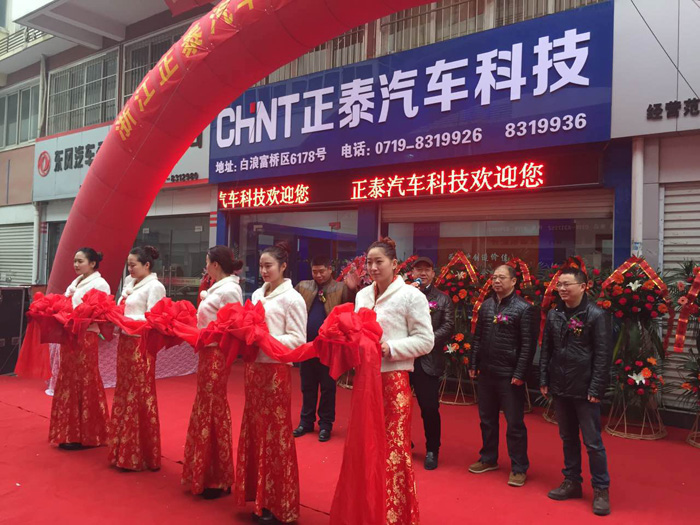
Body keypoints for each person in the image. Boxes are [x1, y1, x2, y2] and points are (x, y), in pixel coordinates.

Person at [355, 237, 434, 525]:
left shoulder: (411, 296)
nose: (373, 267)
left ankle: (395, 515)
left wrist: (391, 348)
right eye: (369, 262)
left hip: (394, 380)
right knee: (366, 446)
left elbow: (426, 340)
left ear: (395, 264)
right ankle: (368, 510)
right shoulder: (362, 296)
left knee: (394, 449)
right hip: (366, 379)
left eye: (379, 262)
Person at [235, 241, 306, 524]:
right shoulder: (257, 294)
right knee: (255, 431)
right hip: (254, 370)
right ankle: (259, 497)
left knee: (275, 435)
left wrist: (264, 339)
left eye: (269, 266)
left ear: (283, 266)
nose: (264, 271)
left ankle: (280, 503)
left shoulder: (293, 298)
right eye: (261, 266)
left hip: (276, 371)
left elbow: (298, 340)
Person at [539, 267, 612, 516]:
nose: (561, 288)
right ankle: (572, 481)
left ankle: (601, 488)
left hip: (585, 388)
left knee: (592, 442)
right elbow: (546, 349)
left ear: (583, 287)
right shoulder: (554, 314)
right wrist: (544, 378)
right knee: (567, 437)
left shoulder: (596, 315)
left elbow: (603, 355)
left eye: (567, 284)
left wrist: (596, 387)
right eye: (559, 284)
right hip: (560, 386)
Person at [468, 264, 537, 487]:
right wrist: (473, 363)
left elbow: (528, 346)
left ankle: (519, 467)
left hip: (509, 375)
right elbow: (477, 337)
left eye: (501, 277)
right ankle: (488, 458)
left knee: (514, 423)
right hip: (487, 372)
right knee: (487, 420)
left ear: (514, 281)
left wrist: (520, 373)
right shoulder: (486, 306)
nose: (496, 281)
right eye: (494, 277)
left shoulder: (524, 309)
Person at [182, 246, 243, 498]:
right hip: (207, 353)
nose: (205, 267)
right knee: (205, 406)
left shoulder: (230, 290)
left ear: (215, 265)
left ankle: (217, 475)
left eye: (207, 262)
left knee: (213, 407)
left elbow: (233, 326)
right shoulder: (219, 286)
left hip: (217, 353)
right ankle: (205, 470)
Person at [108, 246, 166, 471]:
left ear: (147, 265)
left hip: (140, 344)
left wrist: (127, 320)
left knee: (139, 393)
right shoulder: (129, 283)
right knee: (124, 391)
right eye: (128, 265)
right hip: (125, 342)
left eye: (133, 265)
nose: (130, 268)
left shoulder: (155, 286)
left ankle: (139, 452)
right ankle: (122, 448)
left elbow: (155, 319)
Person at [49, 247, 111, 450]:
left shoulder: (100, 284)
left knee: (84, 379)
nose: (76, 265)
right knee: (68, 379)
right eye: (75, 261)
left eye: (80, 261)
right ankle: (69, 432)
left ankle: (88, 434)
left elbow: (100, 312)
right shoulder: (75, 282)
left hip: (85, 336)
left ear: (92, 263)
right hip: (70, 335)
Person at [293, 255, 357, 442]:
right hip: (308, 346)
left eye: (322, 271)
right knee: (307, 386)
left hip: (330, 348)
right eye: (315, 271)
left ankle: (325, 425)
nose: (318, 275)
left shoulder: (341, 288)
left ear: (330, 269)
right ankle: (306, 421)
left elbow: (351, 310)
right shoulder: (303, 286)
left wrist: (353, 290)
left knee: (328, 388)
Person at [409, 256, 454, 470]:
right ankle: (401, 443)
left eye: (427, 270)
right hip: (404, 357)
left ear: (434, 274)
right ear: (412, 274)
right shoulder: (405, 295)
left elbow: (448, 326)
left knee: (429, 408)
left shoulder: (443, 299)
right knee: (398, 404)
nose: (422, 273)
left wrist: (424, 341)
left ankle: (432, 449)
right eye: (418, 270)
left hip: (428, 359)